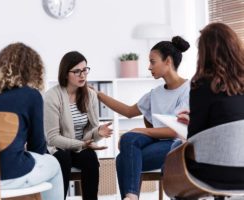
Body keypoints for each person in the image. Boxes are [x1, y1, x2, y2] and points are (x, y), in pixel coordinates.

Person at [0, 42, 64, 200]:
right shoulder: (31, 95)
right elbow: (37, 147)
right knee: (53, 163)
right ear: (32, 70)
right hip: (7, 176)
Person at [95, 36, 190, 200]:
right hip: (156, 145)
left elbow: (175, 131)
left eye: (153, 62)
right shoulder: (155, 94)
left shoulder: (188, 90)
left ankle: (130, 197)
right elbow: (128, 111)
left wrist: (141, 130)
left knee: (123, 158)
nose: (149, 67)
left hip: (179, 147)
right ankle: (132, 197)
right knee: (127, 144)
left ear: (167, 61)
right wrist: (98, 94)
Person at [177, 22, 244, 189]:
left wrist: (191, 121)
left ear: (205, 53)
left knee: (176, 150)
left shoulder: (202, 85)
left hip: (216, 173)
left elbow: (193, 139)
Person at [44, 51, 113, 200]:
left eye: (85, 70)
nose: (82, 75)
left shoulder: (90, 95)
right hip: (58, 147)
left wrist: (98, 132)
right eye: (76, 71)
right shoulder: (52, 96)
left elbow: (90, 132)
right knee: (63, 158)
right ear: (65, 74)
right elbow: (53, 138)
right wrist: (82, 144)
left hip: (80, 146)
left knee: (90, 159)